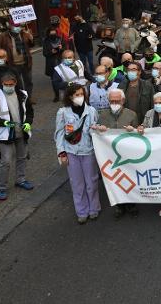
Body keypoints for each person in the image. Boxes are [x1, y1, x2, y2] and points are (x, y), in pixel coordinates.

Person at [55, 84, 101, 224]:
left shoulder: (92, 110)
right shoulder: (63, 112)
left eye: (81, 94)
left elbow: (95, 129)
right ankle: (81, 211)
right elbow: (59, 134)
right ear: (70, 97)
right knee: (77, 184)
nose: (79, 97)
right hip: (71, 152)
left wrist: (96, 129)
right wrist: (61, 152)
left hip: (88, 151)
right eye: (76, 95)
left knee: (91, 182)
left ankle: (94, 209)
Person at [0, 73, 34, 201]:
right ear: (2, 83)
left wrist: (28, 122)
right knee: (6, 162)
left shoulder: (23, 94)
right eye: (6, 85)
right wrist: (3, 123)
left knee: (22, 157)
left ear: (15, 83)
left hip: (21, 132)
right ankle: (2, 188)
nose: (8, 87)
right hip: (5, 135)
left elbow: (29, 111)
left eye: (11, 85)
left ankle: (20, 180)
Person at [95, 89, 140, 218]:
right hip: (109, 156)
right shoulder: (102, 115)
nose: (114, 103)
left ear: (123, 101)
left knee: (129, 179)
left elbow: (138, 135)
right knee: (115, 181)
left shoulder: (131, 115)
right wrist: (99, 130)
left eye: (117, 101)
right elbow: (97, 134)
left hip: (127, 155)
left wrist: (134, 130)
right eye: (112, 101)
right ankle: (119, 206)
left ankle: (131, 204)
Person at [0, 23, 34, 99]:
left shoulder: (24, 34)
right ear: (10, 26)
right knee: (17, 82)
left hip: (26, 62)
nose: (18, 28)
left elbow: (31, 45)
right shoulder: (3, 36)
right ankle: (21, 97)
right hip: (12, 64)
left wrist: (31, 38)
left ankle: (29, 97)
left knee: (28, 81)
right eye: (15, 26)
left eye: (19, 26)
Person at [42, 26, 63, 102]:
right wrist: (51, 52)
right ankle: (57, 95)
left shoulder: (60, 39)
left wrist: (61, 49)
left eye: (54, 32)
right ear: (48, 34)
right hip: (51, 63)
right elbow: (44, 53)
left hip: (61, 61)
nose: (53, 34)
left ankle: (66, 93)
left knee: (64, 78)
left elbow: (65, 50)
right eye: (51, 33)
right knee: (54, 80)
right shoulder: (46, 41)